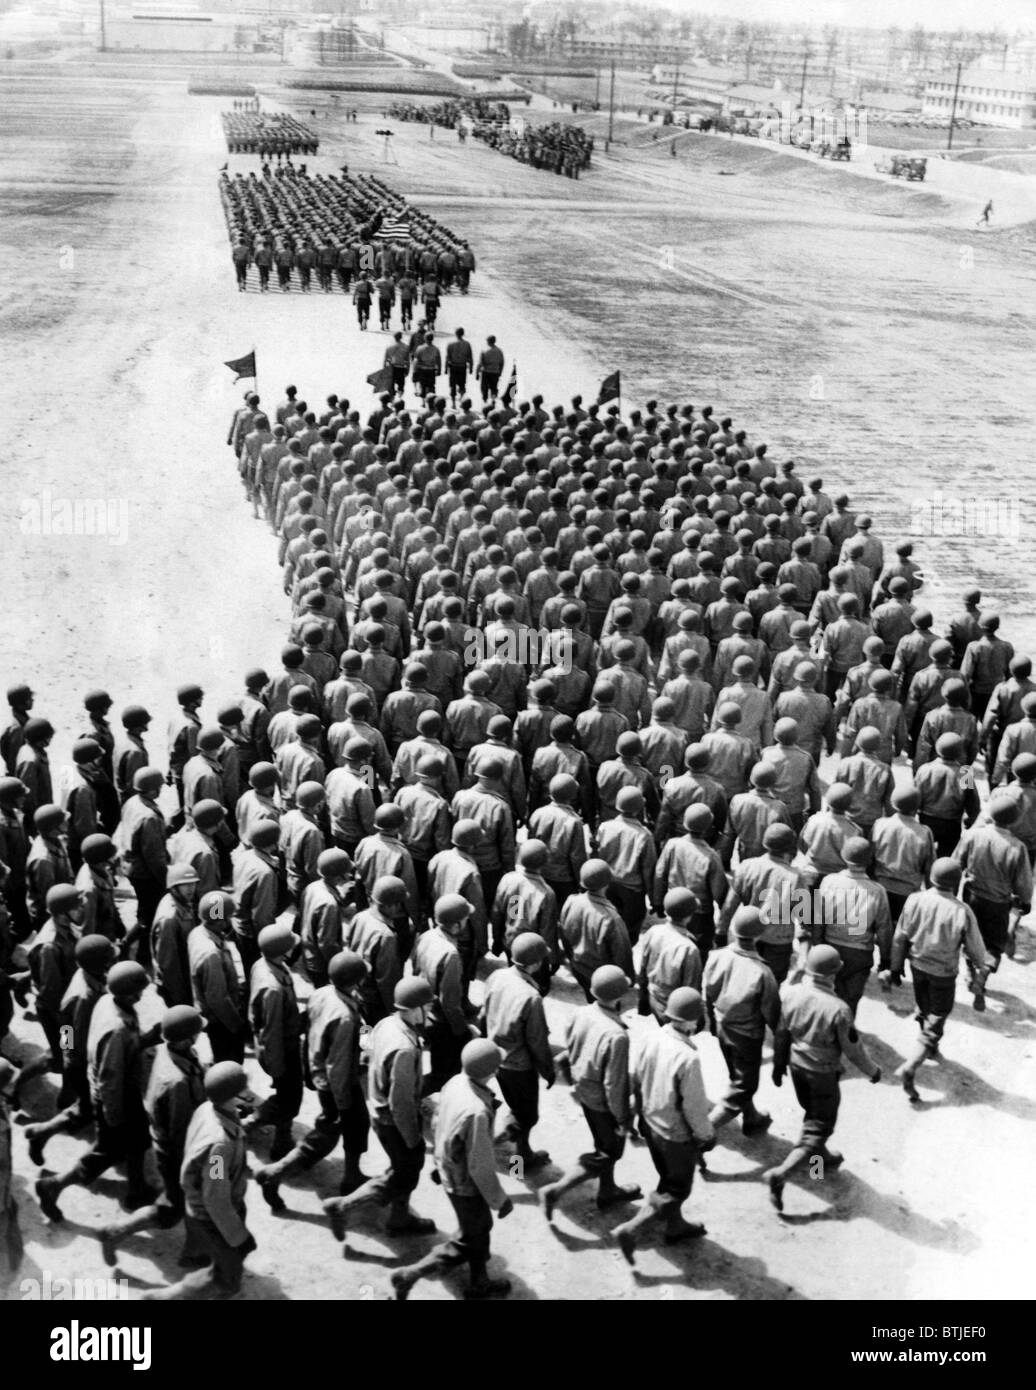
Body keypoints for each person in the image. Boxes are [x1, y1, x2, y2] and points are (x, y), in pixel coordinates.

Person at [390, 1039, 514, 1301]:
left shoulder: (455, 1082)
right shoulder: (477, 1112)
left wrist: (439, 1162)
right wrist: (499, 1199)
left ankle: (479, 1281)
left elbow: (437, 1123)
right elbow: (479, 1165)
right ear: (492, 1072)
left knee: (479, 1227)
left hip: (450, 1168)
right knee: (470, 1237)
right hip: (465, 1182)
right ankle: (410, 1274)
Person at [762, 945, 881, 1213]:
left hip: (797, 1067)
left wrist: (778, 1065)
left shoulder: (789, 993)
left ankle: (818, 1163)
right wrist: (872, 1071)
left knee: (813, 1115)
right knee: (819, 1125)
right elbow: (853, 1049)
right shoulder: (839, 1009)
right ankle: (781, 1174)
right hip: (822, 1074)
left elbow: (781, 1033)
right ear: (834, 973)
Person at [36, 962, 155, 1222]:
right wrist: (113, 1115)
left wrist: (145, 1040)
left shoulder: (107, 1000)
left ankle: (137, 1188)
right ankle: (53, 1184)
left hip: (118, 1088)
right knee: (107, 1150)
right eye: (138, 991)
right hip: (114, 1095)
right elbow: (109, 1075)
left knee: (137, 1140)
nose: (141, 996)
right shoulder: (113, 1024)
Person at [323, 975, 436, 1243]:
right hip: (394, 1121)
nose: (430, 1012)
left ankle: (399, 1218)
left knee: (403, 1168)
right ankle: (343, 1207)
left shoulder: (387, 1023)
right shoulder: (404, 1048)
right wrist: (413, 1137)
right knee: (405, 1172)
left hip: (380, 1112)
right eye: (428, 1007)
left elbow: (370, 1051)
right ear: (414, 1009)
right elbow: (401, 1102)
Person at [254, 948, 370, 1210]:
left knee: (356, 1125)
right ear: (356, 981)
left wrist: (367, 1043)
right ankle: (275, 1174)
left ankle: (352, 1176)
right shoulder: (344, 1017)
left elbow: (360, 1023)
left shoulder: (324, 993)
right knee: (328, 1133)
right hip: (338, 1083)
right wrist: (342, 1102)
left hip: (325, 1074)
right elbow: (338, 1064)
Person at [612, 987, 715, 1265]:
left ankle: (675, 1226)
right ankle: (630, 1230)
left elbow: (635, 1077)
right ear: (693, 1020)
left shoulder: (651, 1036)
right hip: (674, 1134)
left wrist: (633, 1116)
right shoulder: (688, 1057)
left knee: (667, 1177)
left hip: (650, 1124)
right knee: (677, 1189)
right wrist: (706, 1135)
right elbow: (693, 1106)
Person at [100, 1005, 207, 1268]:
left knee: (191, 1199)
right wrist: (196, 1160)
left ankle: (194, 1249)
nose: (199, 1036)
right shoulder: (177, 1081)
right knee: (174, 1207)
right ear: (186, 1039)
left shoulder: (166, 1052)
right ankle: (116, 1232)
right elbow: (180, 1130)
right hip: (179, 1152)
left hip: (172, 1145)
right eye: (196, 1033)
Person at [143, 1061, 254, 1300]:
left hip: (206, 1206)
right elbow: (216, 1197)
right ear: (231, 1097)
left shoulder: (207, 1108)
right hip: (212, 1216)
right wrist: (238, 1235)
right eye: (243, 1089)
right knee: (228, 1279)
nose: (249, 1092)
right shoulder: (219, 1147)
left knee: (223, 1266)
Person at [539, 964, 641, 1218]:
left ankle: (608, 1190)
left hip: (584, 1091)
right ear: (620, 994)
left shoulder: (581, 1012)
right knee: (608, 1152)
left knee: (603, 1143)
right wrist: (623, 1118)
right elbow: (614, 1084)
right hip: (603, 1102)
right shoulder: (617, 1035)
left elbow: (570, 1048)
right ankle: (555, 1190)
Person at [889, 858, 988, 1103]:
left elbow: (900, 937)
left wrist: (895, 967)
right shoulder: (962, 910)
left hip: (917, 966)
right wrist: (980, 967)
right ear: (957, 882)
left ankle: (930, 1048)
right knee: (938, 1015)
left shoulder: (915, 900)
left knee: (924, 1006)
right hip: (943, 973)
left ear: (932, 877)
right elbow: (976, 948)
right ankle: (912, 1064)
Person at [703, 906, 780, 1136]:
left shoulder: (716, 956)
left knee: (736, 1076)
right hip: (747, 1037)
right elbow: (773, 1015)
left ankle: (751, 1118)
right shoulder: (763, 972)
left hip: (722, 1026)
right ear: (760, 934)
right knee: (743, 1087)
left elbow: (708, 993)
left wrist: (713, 1022)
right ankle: (701, 1134)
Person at [481, 933, 555, 1171]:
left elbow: (484, 1014)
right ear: (536, 963)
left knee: (517, 1108)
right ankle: (518, 1163)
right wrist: (548, 1071)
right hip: (520, 1066)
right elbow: (537, 1041)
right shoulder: (531, 997)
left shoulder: (497, 976)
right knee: (528, 1117)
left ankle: (512, 1140)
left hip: (497, 1058)